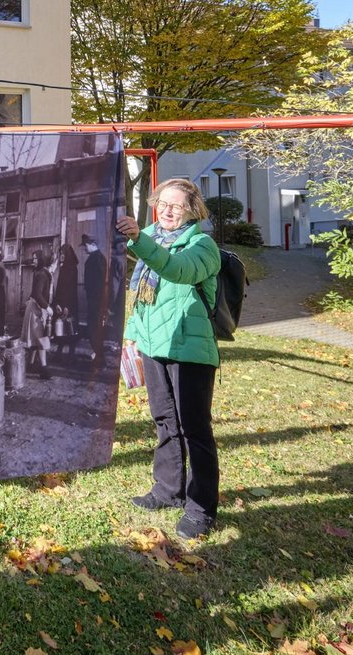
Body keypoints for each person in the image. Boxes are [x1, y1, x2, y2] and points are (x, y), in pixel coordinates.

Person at [115, 178, 221, 540]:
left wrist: (139, 241)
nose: (167, 210)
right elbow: (142, 300)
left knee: (195, 429)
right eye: (162, 203)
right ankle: (167, 490)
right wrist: (132, 334)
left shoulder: (202, 246)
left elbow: (176, 270)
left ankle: (201, 507)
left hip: (190, 350)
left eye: (176, 205)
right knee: (164, 421)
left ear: (192, 210)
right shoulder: (151, 236)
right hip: (154, 346)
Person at [22, 249, 53, 380]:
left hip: (35, 307)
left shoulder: (42, 273)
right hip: (37, 309)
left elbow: (36, 293)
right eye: (33, 258)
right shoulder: (42, 274)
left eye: (35, 258)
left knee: (36, 338)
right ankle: (43, 369)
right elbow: (37, 294)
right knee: (41, 338)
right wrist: (47, 308)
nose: (33, 260)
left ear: (42, 260)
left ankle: (30, 364)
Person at [81, 233, 107, 368]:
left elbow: (101, 283)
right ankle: (98, 357)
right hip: (94, 300)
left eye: (85, 246)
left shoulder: (97, 259)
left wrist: (99, 302)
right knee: (94, 330)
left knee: (94, 330)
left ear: (92, 244)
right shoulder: (96, 258)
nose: (84, 249)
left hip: (96, 301)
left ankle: (100, 360)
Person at [52, 243, 80, 363]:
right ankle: (58, 353)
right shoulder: (62, 268)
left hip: (70, 303)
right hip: (61, 303)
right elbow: (59, 288)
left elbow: (72, 289)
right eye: (60, 254)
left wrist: (68, 306)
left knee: (71, 329)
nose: (61, 256)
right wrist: (57, 303)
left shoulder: (73, 269)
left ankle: (71, 355)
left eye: (63, 254)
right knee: (61, 329)